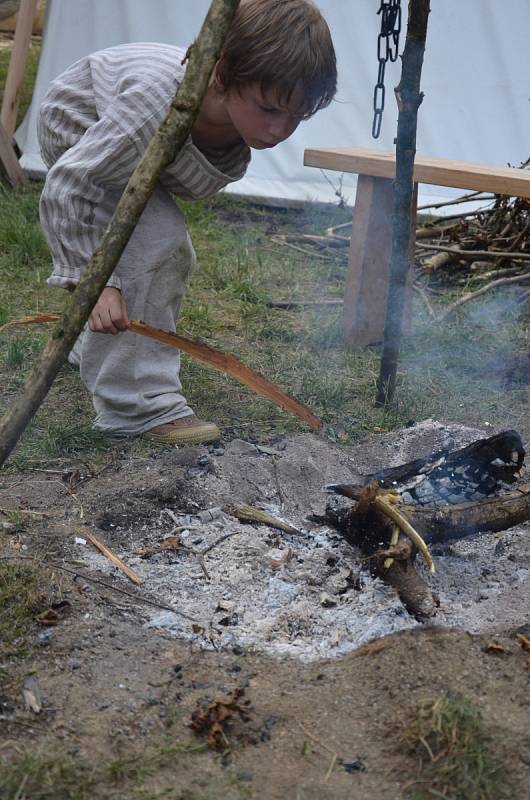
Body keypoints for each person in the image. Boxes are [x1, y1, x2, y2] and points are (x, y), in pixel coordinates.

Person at [38, 0, 337, 445]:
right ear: (221, 74)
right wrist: (92, 280)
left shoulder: (232, 108)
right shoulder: (156, 107)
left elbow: (192, 173)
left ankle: (96, 345)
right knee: (155, 244)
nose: (281, 130)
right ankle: (138, 406)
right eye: (269, 110)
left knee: (169, 251)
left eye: (297, 115)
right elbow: (73, 184)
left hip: (126, 146)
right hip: (83, 132)